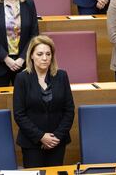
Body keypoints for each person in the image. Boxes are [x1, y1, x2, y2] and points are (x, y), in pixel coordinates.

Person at [13, 35, 75, 168]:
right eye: (40, 54)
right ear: (31, 56)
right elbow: (19, 114)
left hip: (57, 141)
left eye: (48, 54)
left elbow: (69, 110)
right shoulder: (22, 78)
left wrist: (56, 136)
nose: (45, 58)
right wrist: (41, 136)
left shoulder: (61, 76)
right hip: (32, 143)